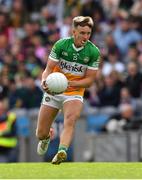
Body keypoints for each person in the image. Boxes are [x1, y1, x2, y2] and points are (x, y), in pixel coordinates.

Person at [36, 16, 100, 164]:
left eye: (88, 33)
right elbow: (48, 69)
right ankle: (46, 138)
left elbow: (89, 81)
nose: (85, 36)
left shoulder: (93, 52)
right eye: (82, 33)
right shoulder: (61, 45)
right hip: (54, 90)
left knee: (70, 120)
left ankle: (61, 151)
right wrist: (44, 81)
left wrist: (69, 83)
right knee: (40, 133)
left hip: (74, 91)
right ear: (73, 32)